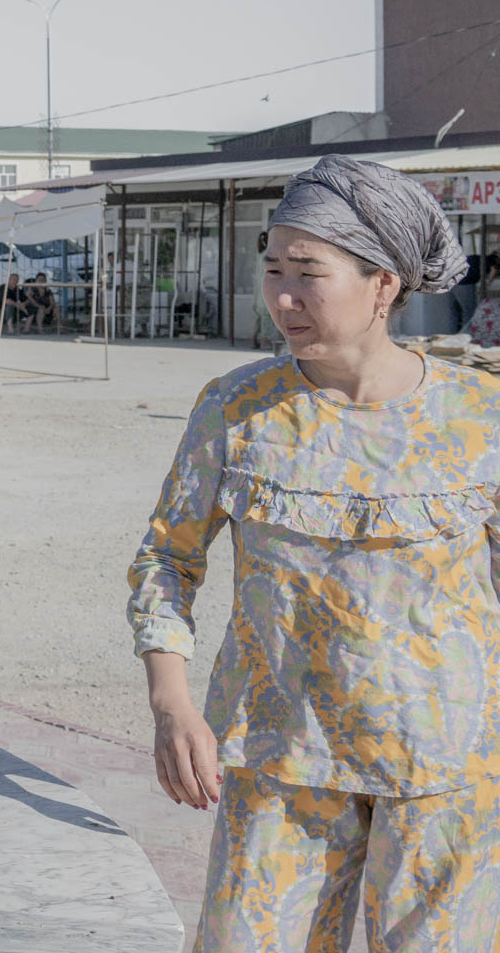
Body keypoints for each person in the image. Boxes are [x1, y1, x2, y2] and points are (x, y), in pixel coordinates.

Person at [127, 155, 500, 949]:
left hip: (445, 765)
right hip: (280, 761)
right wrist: (172, 703)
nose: (282, 297)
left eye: (308, 273)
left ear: (384, 285)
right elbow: (167, 557)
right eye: (272, 270)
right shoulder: (239, 407)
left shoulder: (480, 417)